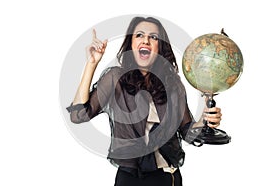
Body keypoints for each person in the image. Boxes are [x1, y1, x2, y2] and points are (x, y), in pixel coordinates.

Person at [66, 16, 222, 186]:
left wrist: (205, 121)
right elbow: (78, 115)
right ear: (131, 44)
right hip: (132, 178)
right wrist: (91, 63)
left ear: (159, 47)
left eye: (153, 37)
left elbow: (187, 132)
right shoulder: (115, 78)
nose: (146, 40)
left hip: (168, 177)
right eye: (139, 35)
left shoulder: (172, 84)